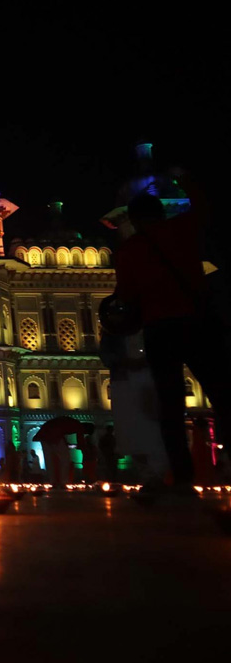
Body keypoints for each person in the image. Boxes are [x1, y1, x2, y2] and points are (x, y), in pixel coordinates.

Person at [115, 185, 229, 490]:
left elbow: (125, 296)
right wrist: (186, 179)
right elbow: (205, 209)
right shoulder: (182, 231)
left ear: (135, 221)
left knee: (170, 404)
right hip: (197, 322)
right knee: (220, 392)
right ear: (163, 214)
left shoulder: (130, 250)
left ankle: (182, 478)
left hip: (160, 329)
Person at [35, 417, 93, 486]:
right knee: (65, 459)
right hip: (54, 433)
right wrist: (87, 453)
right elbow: (81, 443)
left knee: (49, 460)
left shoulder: (71, 422)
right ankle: (63, 481)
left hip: (44, 433)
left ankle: (53, 481)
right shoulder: (78, 426)